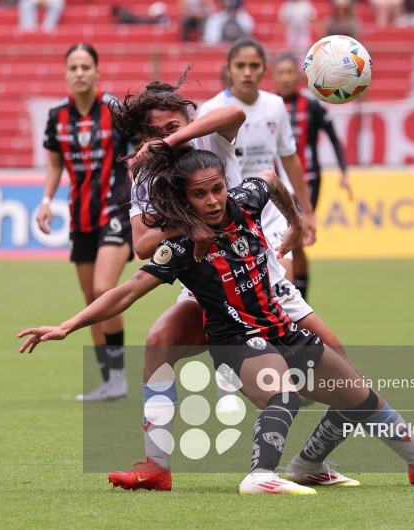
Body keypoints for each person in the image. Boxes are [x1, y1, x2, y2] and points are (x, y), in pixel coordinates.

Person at [18, 146, 414, 494]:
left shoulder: (246, 200)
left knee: (361, 399)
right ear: (185, 200)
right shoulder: (179, 247)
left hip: (283, 329)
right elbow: (125, 292)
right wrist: (66, 326)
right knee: (284, 392)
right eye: (200, 195)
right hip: (237, 344)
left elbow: (269, 177)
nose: (214, 200)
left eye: (217, 188)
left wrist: (296, 222)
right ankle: (261, 476)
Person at [103, 76, 347, 491]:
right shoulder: (145, 175)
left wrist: (175, 140)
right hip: (206, 282)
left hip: (259, 276)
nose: (167, 137)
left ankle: (311, 462)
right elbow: (143, 244)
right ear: (144, 137)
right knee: (158, 341)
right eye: (156, 132)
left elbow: (235, 113)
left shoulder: (210, 143)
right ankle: (155, 467)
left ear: (189, 118)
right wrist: (189, 221)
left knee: (342, 371)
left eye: (174, 126)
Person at [38, 43, 133, 402]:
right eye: (73, 67)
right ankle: (109, 379)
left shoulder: (115, 109)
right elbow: (55, 163)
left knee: (103, 289)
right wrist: (46, 201)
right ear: (66, 73)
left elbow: (138, 151)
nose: (79, 73)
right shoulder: (57, 116)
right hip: (80, 216)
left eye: (85, 67)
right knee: (90, 297)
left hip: (115, 210)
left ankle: (120, 374)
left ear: (97, 71)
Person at [198, 38, 318, 283]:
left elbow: (289, 158)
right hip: (229, 212)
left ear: (265, 69)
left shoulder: (274, 106)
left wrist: (306, 211)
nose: (247, 72)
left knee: (284, 284)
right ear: (228, 69)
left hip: (271, 209)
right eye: (240, 66)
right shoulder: (211, 111)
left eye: (254, 66)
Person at [272, 53, 351, 301]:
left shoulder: (313, 105)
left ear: (299, 76)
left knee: (295, 237)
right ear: (273, 77)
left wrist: (344, 172)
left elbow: (334, 139)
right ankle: (293, 296)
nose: (285, 78)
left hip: (308, 181)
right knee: (288, 239)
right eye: (280, 73)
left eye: (289, 72)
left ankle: (297, 298)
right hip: (274, 183)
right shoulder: (268, 106)